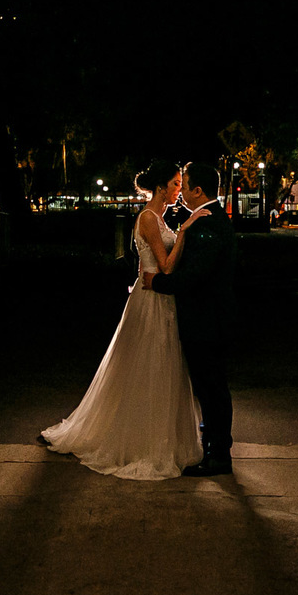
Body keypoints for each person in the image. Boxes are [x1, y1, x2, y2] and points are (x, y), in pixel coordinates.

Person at [39, 160, 206, 480]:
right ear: (160, 187)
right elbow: (166, 266)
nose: (178, 190)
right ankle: (141, 439)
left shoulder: (158, 217)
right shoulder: (147, 218)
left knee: (163, 364)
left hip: (163, 299)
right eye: (174, 184)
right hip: (152, 301)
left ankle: (163, 435)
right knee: (148, 365)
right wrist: (184, 232)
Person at [144, 162, 237, 476]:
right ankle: (213, 448)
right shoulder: (207, 220)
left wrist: (156, 283)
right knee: (209, 390)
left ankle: (219, 456)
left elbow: (194, 276)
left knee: (212, 391)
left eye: (184, 186)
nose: (180, 191)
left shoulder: (208, 223)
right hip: (208, 320)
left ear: (198, 191)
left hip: (207, 322)